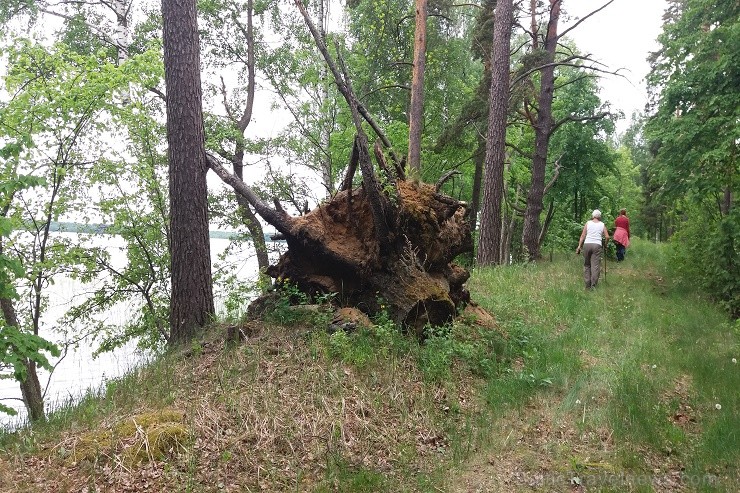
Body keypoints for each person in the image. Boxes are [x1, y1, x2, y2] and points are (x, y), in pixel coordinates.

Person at [576, 209, 610, 290]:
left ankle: (587, 285)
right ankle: (593, 286)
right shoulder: (602, 224)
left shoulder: (588, 223)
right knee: (595, 266)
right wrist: (605, 245)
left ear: (593, 216)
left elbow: (583, 235)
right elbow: (607, 237)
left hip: (587, 244)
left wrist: (579, 246)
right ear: (600, 217)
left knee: (587, 265)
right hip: (597, 245)